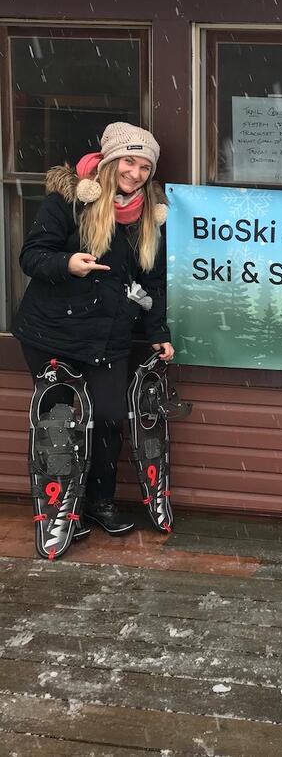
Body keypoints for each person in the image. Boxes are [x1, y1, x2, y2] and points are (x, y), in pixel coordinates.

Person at [13, 122, 174, 538]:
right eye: (129, 162)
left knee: (107, 418)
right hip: (52, 331)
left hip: (108, 336)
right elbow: (32, 256)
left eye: (144, 167)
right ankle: (65, 509)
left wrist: (159, 331)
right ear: (109, 161)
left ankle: (99, 503)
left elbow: (152, 280)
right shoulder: (68, 200)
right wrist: (66, 264)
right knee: (61, 422)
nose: (135, 173)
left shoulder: (147, 216)